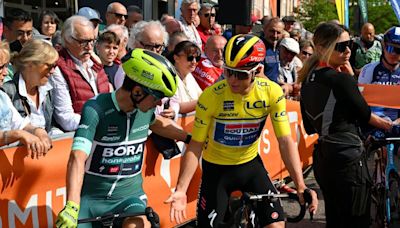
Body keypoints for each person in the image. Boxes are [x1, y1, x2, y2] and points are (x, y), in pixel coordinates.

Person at [166, 34, 318, 227]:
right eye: (228, 72)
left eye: (241, 74)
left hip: (250, 166)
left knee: (276, 225)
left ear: (258, 71)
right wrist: (181, 189)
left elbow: (285, 141)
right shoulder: (211, 97)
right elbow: (195, 146)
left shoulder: (271, 92)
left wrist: (300, 185)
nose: (232, 80)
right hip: (216, 171)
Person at [55, 48, 191, 228]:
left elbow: (157, 123)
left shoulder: (145, 110)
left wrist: (189, 138)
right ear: (137, 93)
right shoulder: (96, 109)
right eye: (157, 97)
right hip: (91, 199)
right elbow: (77, 157)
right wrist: (72, 206)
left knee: (138, 225)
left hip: (130, 198)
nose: (159, 103)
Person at [298, 22, 392, 228]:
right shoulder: (340, 79)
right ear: (322, 48)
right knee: (356, 221)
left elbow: (309, 126)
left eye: (349, 43)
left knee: (335, 219)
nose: (348, 50)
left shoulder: (306, 80)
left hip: (323, 157)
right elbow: (365, 115)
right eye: (341, 46)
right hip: (347, 157)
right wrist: (390, 126)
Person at [50, 16, 110, 132]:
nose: (89, 47)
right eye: (83, 42)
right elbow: (66, 119)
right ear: (67, 39)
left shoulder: (95, 62)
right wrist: (102, 122)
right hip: (79, 138)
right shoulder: (58, 68)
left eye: (92, 40)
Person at [2, 39, 59, 134]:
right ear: (30, 64)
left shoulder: (48, 90)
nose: (53, 71)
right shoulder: (7, 92)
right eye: (49, 66)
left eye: (55, 66)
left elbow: (51, 126)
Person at [358, 26, 400, 123]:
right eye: (390, 48)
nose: (393, 53)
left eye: (398, 50)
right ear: (383, 46)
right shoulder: (368, 70)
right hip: (373, 124)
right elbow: (360, 104)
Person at [114, 20, 168, 89]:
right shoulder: (126, 71)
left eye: (158, 46)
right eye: (148, 46)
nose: (154, 51)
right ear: (135, 43)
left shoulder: (165, 69)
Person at [0, 89, 51, 158]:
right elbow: (19, 131)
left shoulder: (2, 96)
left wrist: (38, 131)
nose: (3, 77)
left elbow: (21, 124)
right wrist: (18, 134)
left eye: (4, 76)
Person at [172, 41, 202, 114]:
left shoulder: (189, 75)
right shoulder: (170, 77)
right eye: (190, 58)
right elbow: (177, 107)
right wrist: (205, 100)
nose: (194, 62)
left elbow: (201, 95)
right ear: (176, 58)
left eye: (197, 58)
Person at [261, 17, 285, 83]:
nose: (275, 35)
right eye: (272, 31)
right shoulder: (259, 47)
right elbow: (258, 74)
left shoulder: (276, 47)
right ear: (265, 29)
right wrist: (274, 87)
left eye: (278, 32)